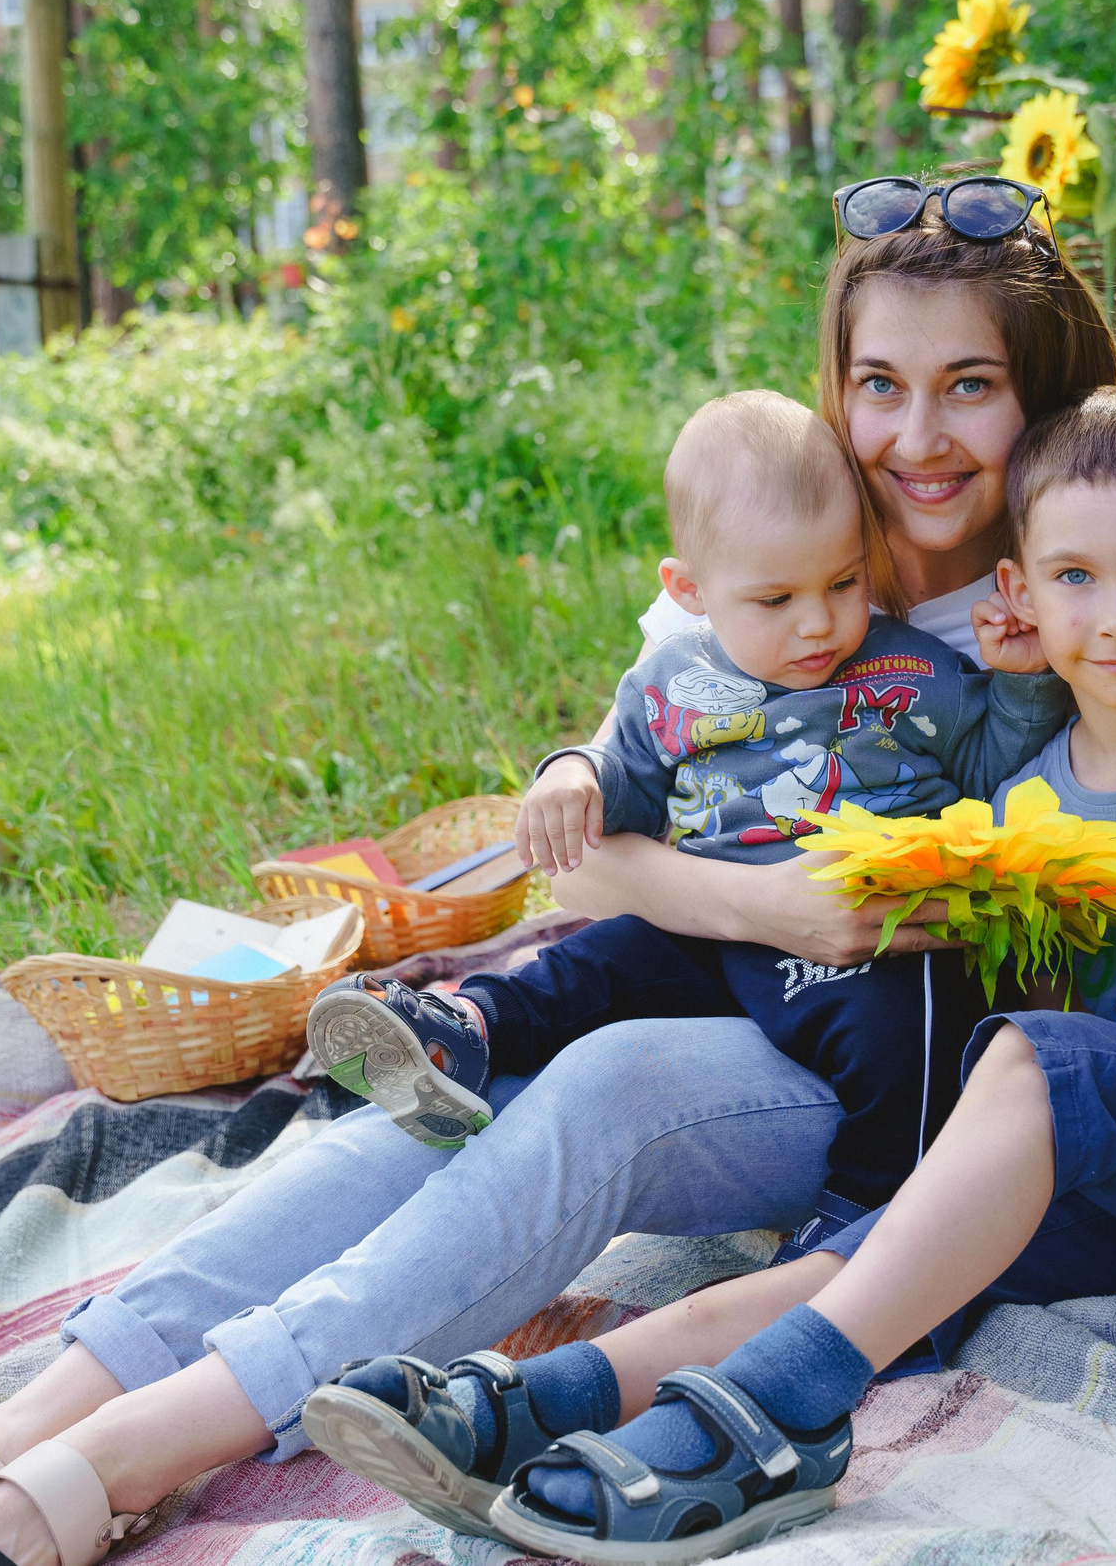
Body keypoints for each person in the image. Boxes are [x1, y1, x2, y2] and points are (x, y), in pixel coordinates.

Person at [0, 177, 1116, 1566]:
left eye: (970, 387)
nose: (915, 436)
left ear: (1044, 402)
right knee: (440, 1100)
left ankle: (139, 1449)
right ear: (835, 386)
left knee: (609, 1082)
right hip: (770, 964)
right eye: (880, 383)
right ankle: (20, 1425)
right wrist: (777, 906)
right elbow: (591, 864)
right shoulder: (777, 535)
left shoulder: (1106, 559)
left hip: (920, 1068)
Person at [307, 385, 1116, 1563]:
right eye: (1073, 577)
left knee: (1027, 1066)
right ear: (1016, 594)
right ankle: (545, 1397)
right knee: (887, 1254)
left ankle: (779, 1415)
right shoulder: (1021, 798)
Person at [307, 387, 1066, 1208]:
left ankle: (864, 1214)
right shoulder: (674, 683)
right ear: (690, 587)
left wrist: (1023, 682)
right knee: (594, 962)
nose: (819, 624)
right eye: (776, 599)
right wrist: (573, 772)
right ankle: (469, 1031)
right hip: (716, 929)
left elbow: (998, 770)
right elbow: (623, 784)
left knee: (907, 1037)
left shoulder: (913, 671)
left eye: (844, 583)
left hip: (865, 935)